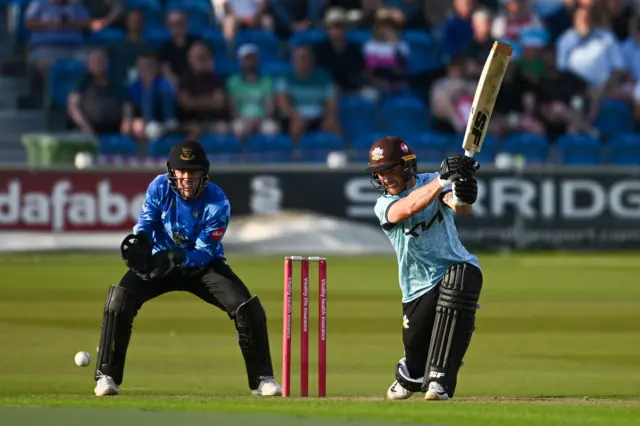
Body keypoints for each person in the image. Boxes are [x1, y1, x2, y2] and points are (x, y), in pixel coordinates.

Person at [93, 140, 282, 397]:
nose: (186, 179)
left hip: (202, 267)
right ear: (172, 172)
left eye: (193, 172)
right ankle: (107, 377)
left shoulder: (218, 202)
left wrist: (177, 256)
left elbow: (204, 253)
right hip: (159, 264)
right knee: (119, 300)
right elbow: (146, 222)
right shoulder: (158, 187)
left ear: (204, 174)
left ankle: (262, 379)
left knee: (246, 307)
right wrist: (142, 243)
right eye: (181, 172)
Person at [366, 136, 482, 401]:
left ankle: (439, 381)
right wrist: (442, 180)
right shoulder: (383, 204)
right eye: (379, 173)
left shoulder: (431, 181)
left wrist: (463, 194)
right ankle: (410, 375)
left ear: (407, 167)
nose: (384, 178)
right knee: (416, 362)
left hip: (455, 265)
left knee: (461, 278)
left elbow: (458, 206)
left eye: (390, 170)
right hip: (416, 287)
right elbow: (407, 208)